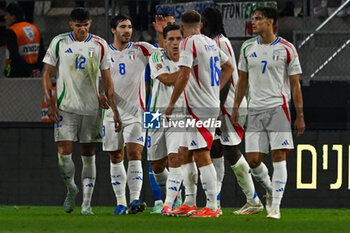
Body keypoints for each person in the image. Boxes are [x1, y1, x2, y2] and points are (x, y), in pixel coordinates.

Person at [42, 8, 121, 215]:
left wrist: (108, 99)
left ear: (90, 23)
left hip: (91, 108)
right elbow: (46, 74)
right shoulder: (59, 42)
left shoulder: (100, 44)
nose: (82, 29)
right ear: (71, 25)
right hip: (65, 108)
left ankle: (86, 204)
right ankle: (71, 189)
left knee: (88, 154)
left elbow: (107, 78)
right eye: (78, 26)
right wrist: (49, 101)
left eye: (85, 25)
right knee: (63, 155)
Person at [231, 7, 305, 219]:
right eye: (253, 18)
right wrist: (236, 106)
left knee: (278, 155)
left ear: (270, 21)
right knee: (253, 160)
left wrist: (299, 115)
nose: (253, 22)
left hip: (278, 108)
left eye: (258, 19)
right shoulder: (246, 47)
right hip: (254, 109)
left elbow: (296, 84)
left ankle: (276, 208)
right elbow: (242, 80)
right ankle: (271, 192)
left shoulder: (287, 48)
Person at [165, 10, 234, 218]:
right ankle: (189, 201)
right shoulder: (211, 43)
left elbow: (184, 74)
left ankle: (213, 206)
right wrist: (215, 89)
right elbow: (229, 67)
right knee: (186, 151)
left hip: (199, 107)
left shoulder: (188, 43)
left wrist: (171, 103)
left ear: (182, 27)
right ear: (201, 25)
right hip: (202, 105)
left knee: (202, 153)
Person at [201, 7, 263, 215]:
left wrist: (217, 109)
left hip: (228, 106)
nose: (200, 25)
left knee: (231, 150)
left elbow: (225, 78)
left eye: (202, 21)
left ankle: (253, 200)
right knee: (216, 150)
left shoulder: (220, 42)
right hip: (222, 104)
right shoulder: (213, 42)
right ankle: (215, 203)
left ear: (209, 23)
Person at [103, 14, 160, 215]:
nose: (127, 30)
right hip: (110, 113)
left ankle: (135, 199)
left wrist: (162, 32)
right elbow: (92, 77)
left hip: (137, 113)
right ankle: (121, 203)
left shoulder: (141, 49)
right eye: (122, 27)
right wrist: (97, 95)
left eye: (129, 26)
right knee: (115, 156)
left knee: (135, 153)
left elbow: (163, 54)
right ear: (113, 30)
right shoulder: (103, 52)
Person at [147, 24, 185, 215]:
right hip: (154, 114)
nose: (175, 43)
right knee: (157, 166)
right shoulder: (156, 57)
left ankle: (170, 202)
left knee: (174, 158)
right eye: (171, 39)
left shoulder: (188, 58)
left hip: (178, 114)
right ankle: (174, 191)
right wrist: (187, 71)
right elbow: (167, 79)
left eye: (179, 38)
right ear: (164, 41)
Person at [4, 3, 45, 77]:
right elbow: (42, 52)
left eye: (7, 15)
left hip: (16, 72)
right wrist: (37, 69)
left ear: (13, 16)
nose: (5, 17)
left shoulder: (12, 31)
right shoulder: (35, 29)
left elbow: (14, 56)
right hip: (34, 71)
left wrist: (30, 70)